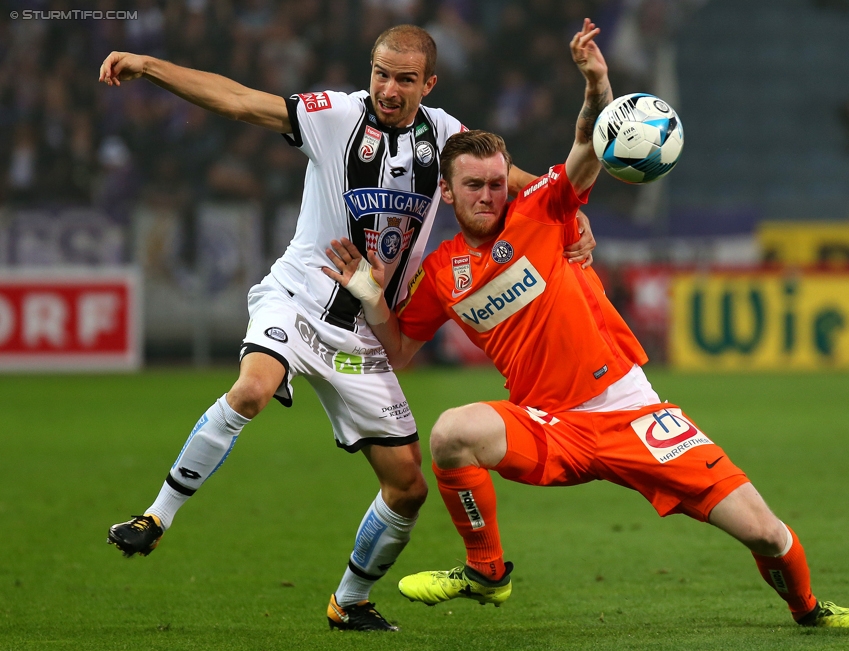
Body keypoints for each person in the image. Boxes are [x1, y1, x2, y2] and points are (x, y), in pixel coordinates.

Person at [323, 19, 849, 629]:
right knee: (451, 433)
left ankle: (809, 612)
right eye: (473, 186)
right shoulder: (441, 272)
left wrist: (597, 84)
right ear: (447, 195)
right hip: (549, 424)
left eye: (497, 184)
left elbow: (586, 149)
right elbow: (397, 349)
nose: (488, 195)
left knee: (765, 533)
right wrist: (371, 294)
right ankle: (487, 571)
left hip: (632, 414)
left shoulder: (540, 212)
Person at [97, 25, 595, 632]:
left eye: (404, 79)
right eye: (381, 72)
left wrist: (571, 222)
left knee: (408, 488)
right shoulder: (332, 115)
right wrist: (151, 65)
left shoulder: (444, 135)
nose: (388, 88)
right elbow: (240, 100)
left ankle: (349, 601)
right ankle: (156, 516)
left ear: (427, 84)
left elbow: (514, 185)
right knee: (252, 389)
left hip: (366, 333)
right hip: (299, 301)